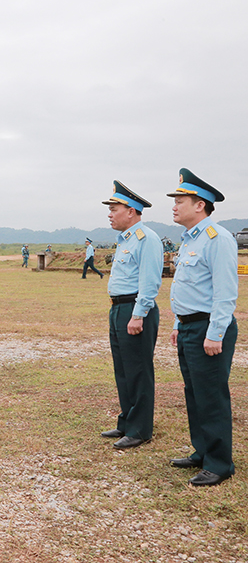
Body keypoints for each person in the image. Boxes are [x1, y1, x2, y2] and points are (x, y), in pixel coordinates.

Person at [167, 169, 238, 486]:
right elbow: (190, 288)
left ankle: (220, 464)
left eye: (179, 201)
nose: (174, 206)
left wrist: (215, 333)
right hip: (189, 327)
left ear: (200, 205)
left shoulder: (216, 238)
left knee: (211, 396)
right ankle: (203, 451)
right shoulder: (190, 240)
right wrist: (178, 323)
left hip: (208, 328)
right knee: (194, 393)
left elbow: (225, 293)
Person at [100, 181, 163, 449]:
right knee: (123, 369)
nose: (110, 214)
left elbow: (150, 281)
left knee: (138, 370)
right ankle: (127, 422)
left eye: (114, 209)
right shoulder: (125, 239)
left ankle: (139, 430)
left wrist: (138, 315)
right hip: (119, 308)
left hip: (135, 308)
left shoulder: (146, 239)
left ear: (131, 211)